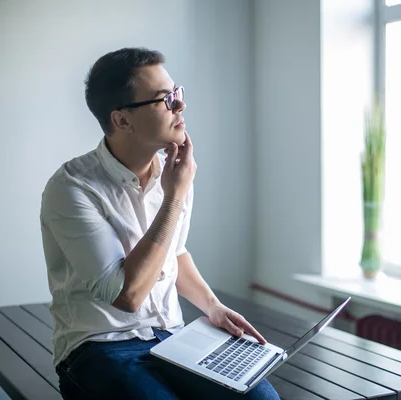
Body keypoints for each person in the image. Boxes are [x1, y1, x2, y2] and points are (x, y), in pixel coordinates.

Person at [40, 47, 280, 400]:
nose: (179, 106)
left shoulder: (174, 174)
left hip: (172, 337)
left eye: (176, 93)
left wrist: (212, 306)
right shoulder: (72, 187)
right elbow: (127, 296)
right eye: (164, 100)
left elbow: (175, 252)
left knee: (263, 399)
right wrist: (174, 198)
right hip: (98, 347)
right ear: (122, 120)